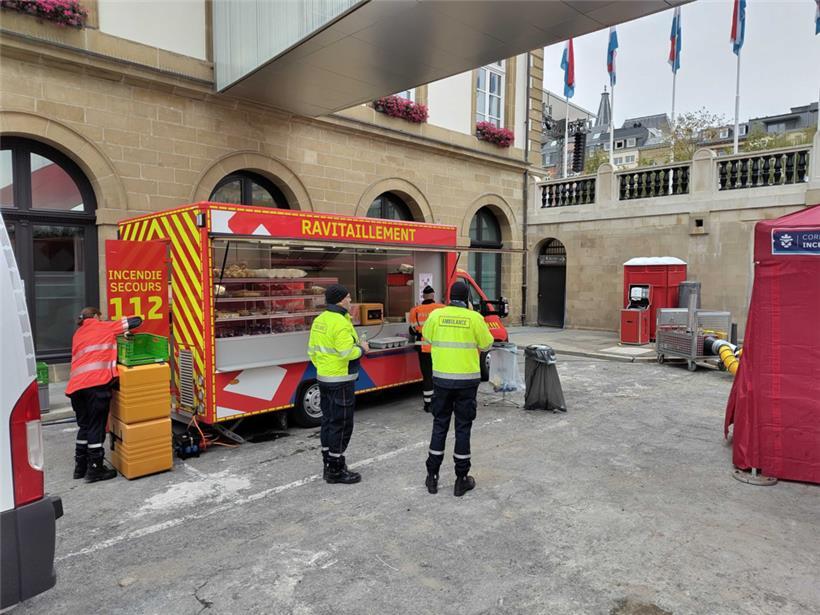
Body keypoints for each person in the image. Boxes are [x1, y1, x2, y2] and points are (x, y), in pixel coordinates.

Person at [422, 281, 494, 497]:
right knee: (463, 428)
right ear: (467, 299)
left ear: (449, 297)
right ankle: (461, 479)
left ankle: (432, 477)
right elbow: (487, 343)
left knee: (439, 425)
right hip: (466, 383)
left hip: (442, 380)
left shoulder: (436, 315)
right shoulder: (474, 318)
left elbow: (427, 337)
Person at [65, 307, 142, 483]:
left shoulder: (77, 334)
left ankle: (80, 467)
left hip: (76, 388)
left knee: (84, 426)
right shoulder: (105, 326)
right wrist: (114, 323)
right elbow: (136, 320)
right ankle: (95, 469)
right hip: (96, 385)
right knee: (96, 427)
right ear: (97, 316)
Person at [308, 284, 369, 485]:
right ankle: (335, 469)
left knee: (328, 421)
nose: (351, 301)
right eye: (349, 298)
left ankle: (328, 462)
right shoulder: (340, 323)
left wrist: (325, 369)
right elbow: (346, 353)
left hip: (324, 378)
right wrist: (362, 349)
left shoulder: (320, 320)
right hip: (341, 381)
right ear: (341, 300)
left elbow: (312, 352)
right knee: (342, 424)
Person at [408, 285, 445, 412]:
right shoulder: (441, 308)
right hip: (438, 347)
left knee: (427, 376)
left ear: (423, 296)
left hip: (423, 347)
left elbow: (412, 330)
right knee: (439, 375)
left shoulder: (415, 310)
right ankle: (440, 401)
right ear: (433, 295)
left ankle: (428, 404)